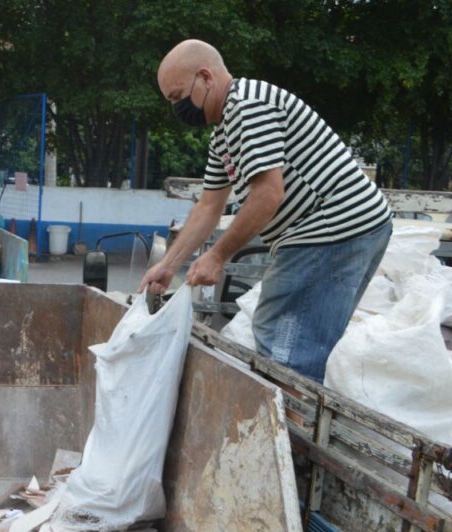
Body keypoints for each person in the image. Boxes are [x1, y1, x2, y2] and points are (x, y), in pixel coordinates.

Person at [141, 39, 392, 383]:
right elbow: (209, 205)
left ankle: (289, 430)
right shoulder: (223, 132)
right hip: (342, 228)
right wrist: (168, 266)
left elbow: (268, 193)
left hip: (333, 227)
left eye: (178, 96)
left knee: (286, 346)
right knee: (287, 333)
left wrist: (218, 256)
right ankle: (292, 420)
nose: (177, 108)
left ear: (205, 77)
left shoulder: (247, 106)